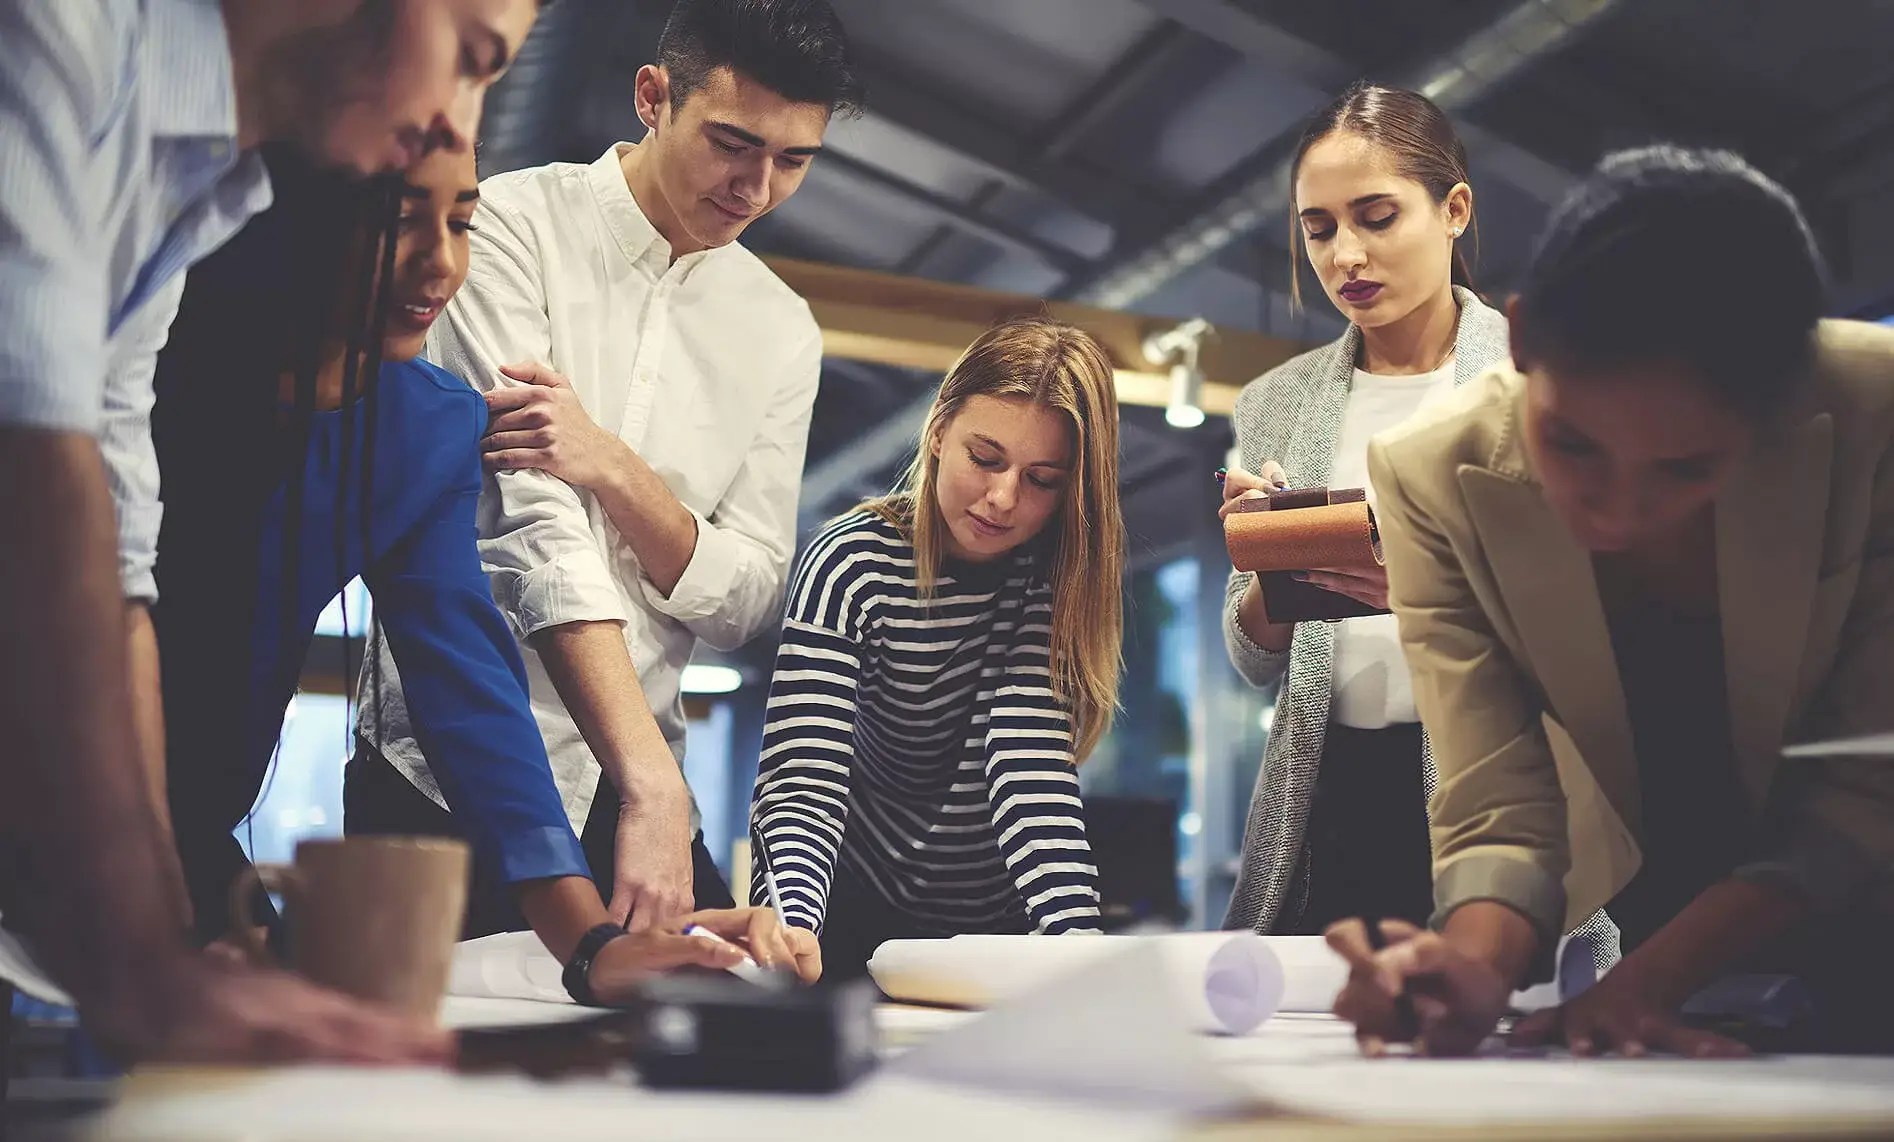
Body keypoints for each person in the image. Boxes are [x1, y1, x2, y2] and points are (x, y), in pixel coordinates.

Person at [0, 0, 544, 1065]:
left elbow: (117, 566)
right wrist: (140, 964)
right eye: (471, 62)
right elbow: (36, 469)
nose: (453, 121)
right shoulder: (56, 35)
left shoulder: (203, 190)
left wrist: (171, 934)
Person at [150, 143, 818, 999]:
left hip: (187, 818)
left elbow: (467, 687)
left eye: (461, 221)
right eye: (398, 224)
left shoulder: (422, 426)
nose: (443, 265)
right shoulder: (144, 375)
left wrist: (589, 948)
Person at [1330, 145, 1894, 1057]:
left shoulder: (1880, 415)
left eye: (1685, 468)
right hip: (1670, 918)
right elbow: (1496, 796)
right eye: (1576, 444)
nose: (1618, 511)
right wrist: (1467, 968)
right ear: (1518, 341)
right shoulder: (1429, 474)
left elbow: (1873, 781)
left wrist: (1651, 981)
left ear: (1782, 410)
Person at [355, 0, 861, 936]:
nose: (757, 188)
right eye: (733, 143)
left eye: (793, 161)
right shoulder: (503, 227)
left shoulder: (783, 329)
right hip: (444, 769)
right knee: (429, 1070)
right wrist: (653, 784)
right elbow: (526, 523)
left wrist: (614, 467)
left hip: (632, 789)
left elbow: (748, 599)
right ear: (651, 97)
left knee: (701, 1049)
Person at [1219, 83, 1606, 954]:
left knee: (1493, 1066)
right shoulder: (1277, 404)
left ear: (1455, 208)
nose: (1345, 253)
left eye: (1377, 216)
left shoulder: (1541, 382)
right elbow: (1250, 656)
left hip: (1499, 791)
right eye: (1318, 229)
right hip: (1327, 793)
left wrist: (1428, 592)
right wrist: (1264, 565)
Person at [751, 317, 1123, 979]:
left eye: (1042, 480)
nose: (1003, 498)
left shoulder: (1049, 580)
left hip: (994, 929)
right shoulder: (851, 564)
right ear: (937, 432)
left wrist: (1077, 945)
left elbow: (1030, 774)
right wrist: (790, 922)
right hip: (849, 911)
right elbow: (805, 780)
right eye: (985, 458)